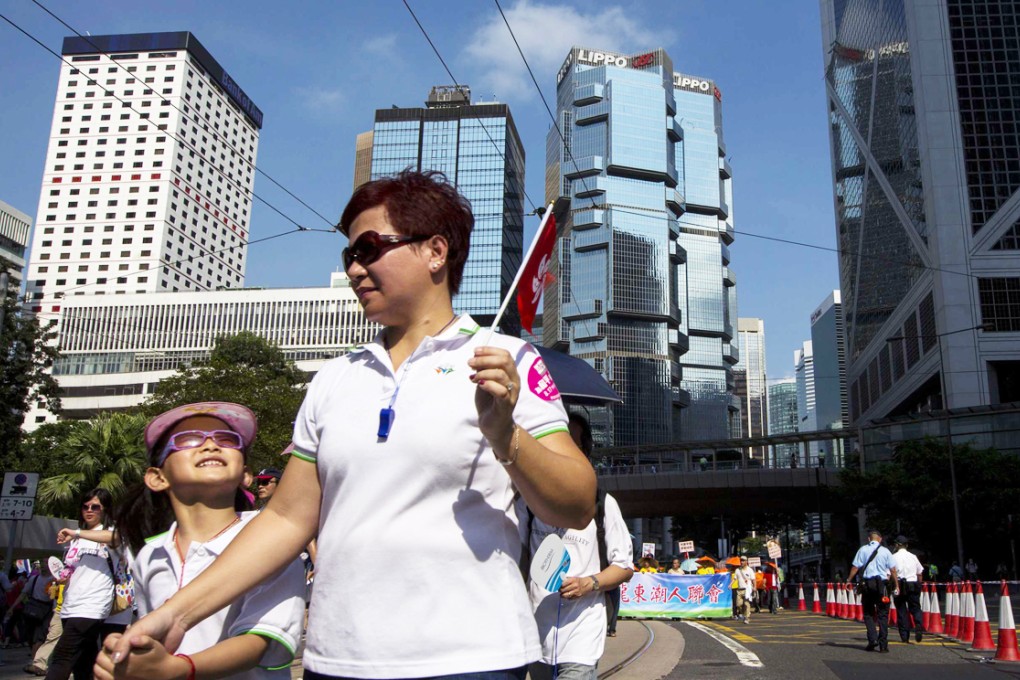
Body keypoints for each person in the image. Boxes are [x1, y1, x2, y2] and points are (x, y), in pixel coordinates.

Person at [106, 170, 596, 680]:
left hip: (472, 658)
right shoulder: (334, 378)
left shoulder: (508, 361)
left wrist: (505, 435)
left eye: (369, 249)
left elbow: (577, 504)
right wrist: (175, 614)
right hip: (337, 660)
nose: (356, 269)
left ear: (435, 251)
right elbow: (286, 520)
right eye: (349, 256)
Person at [95, 401, 306, 680]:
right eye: (188, 439)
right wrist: (127, 656)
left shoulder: (274, 541)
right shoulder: (150, 554)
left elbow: (258, 642)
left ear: (245, 474)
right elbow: (153, 636)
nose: (210, 445)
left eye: (227, 439)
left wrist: (179, 669)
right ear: (157, 478)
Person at [526, 412, 634, 680]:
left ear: (584, 454)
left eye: (570, 446)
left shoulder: (603, 505)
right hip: (536, 634)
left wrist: (589, 584)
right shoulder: (528, 503)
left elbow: (624, 567)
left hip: (582, 633)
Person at [41, 488, 123, 680]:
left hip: (92, 604)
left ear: (105, 509)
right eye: (85, 506)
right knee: (83, 663)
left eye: (95, 507)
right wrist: (62, 577)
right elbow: (74, 569)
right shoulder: (75, 541)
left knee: (62, 656)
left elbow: (114, 538)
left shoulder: (109, 532)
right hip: (70, 604)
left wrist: (76, 532)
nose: (89, 510)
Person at [847, 529, 899, 653]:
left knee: (868, 613)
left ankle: (872, 639)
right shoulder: (886, 551)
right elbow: (893, 570)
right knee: (883, 615)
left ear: (869, 539)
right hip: (883, 586)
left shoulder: (863, 550)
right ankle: (883, 645)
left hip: (867, 585)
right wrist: (896, 585)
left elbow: (855, 567)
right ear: (880, 539)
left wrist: (849, 580)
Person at [24, 579, 65, 676]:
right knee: (52, 637)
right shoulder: (57, 578)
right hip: (59, 611)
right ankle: (39, 665)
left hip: (79, 611)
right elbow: (51, 596)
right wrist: (54, 588)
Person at [892, 535, 924, 644]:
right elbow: (919, 573)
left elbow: (890, 573)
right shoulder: (913, 557)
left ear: (897, 545)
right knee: (915, 607)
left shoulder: (893, 557)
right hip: (912, 583)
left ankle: (904, 636)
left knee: (901, 610)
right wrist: (919, 585)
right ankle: (918, 623)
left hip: (899, 584)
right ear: (907, 545)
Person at [735, 557, 754, 624]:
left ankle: (747, 617)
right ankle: (743, 614)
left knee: (746, 604)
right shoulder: (737, 570)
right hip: (739, 590)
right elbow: (734, 579)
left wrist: (755, 587)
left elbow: (753, 579)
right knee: (738, 604)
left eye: (743, 561)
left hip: (747, 589)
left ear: (746, 561)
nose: (741, 562)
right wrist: (730, 584)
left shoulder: (750, 570)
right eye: (741, 561)